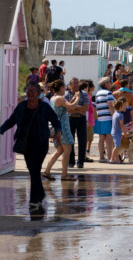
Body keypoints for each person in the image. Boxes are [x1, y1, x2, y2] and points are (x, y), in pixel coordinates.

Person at [0, 82, 62, 212]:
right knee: (33, 170)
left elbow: (55, 120)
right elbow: (11, 121)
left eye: (33, 91)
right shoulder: (21, 106)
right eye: (28, 90)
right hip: (26, 144)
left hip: (41, 143)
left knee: (35, 169)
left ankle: (34, 200)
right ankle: (39, 195)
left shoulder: (44, 107)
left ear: (39, 93)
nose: (30, 93)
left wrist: (58, 131)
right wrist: (1, 129)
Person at [43, 79, 80, 181]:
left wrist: (73, 98)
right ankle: (64, 175)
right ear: (60, 88)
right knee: (67, 150)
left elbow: (66, 106)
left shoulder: (54, 98)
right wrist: (77, 98)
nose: (65, 88)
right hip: (63, 127)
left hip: (57, 127)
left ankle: (47, 171)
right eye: (64, 87)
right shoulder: (60, 98)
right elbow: (71, 107)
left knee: (59, 150)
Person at [65, 78, 89, 169]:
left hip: (81, 119)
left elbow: (86, 108)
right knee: (71, 141)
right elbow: (67, 109)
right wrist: (79, 108)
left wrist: (74, 107)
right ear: (70, 85)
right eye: (73, 84)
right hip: (70, 119)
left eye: (77, 83)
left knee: (82, 141)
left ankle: (80, 162)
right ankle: (71, 162)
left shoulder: (84, 94)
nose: (75, 85)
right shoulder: (67, 94)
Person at [94, 78, 116, 163]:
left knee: (101, 138)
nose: (111, 83)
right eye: (110, 82)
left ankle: (101, 157)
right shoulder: (108, 93)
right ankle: (110, 157)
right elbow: (110, 106)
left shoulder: (98, 93)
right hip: (108, 118)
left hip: (100, 118)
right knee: (109, 138)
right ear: (106, 84)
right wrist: (114, 117)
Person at [110, 99, 127, 164]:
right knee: (117, 146)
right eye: (123, 106)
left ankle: (117, 160)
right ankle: (112, 159)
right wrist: (125, 133)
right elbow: (121, 125)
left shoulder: (115, 113)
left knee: (116, 146)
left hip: (113, 131)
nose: (124, 107)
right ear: (120, 107)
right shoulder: (120, 115)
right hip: (117, 132)